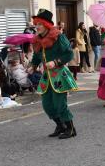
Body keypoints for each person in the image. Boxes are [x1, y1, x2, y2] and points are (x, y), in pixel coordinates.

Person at [28, 9, 78, 138]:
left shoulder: (58, 37)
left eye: (39, 24)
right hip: (46, 76)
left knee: (59, 103)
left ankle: (71, 129)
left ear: (46, 25)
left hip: (59, 74)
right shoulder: (38, 39)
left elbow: (69, 53)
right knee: (47, 105)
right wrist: (32, 66)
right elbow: (37, 56)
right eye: (36, 24)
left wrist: (56, 62)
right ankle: (61, 126)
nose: (37, 26)